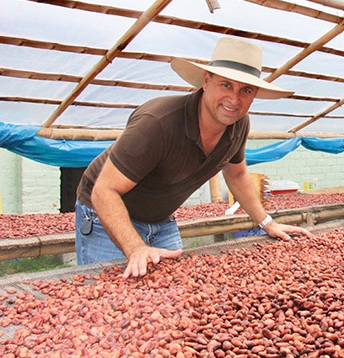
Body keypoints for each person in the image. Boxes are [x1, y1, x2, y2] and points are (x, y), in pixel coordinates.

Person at [75, 37, 312, 278]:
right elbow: (104, 191)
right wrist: (135, 248)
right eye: (226, 85)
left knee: (172, 297)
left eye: (246, 90)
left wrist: (267, 223)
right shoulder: (157, 123)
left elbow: (237, 173)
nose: (234, 99)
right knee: (107, 299)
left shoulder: (239, 124)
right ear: (206, 81)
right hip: (105, 214)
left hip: (160, 218)